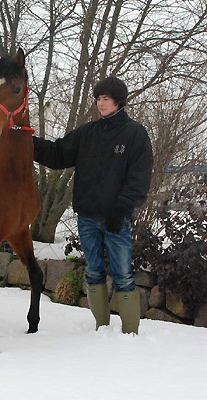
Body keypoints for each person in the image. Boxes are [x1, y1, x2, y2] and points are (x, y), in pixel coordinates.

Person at [33, 76, 153, 334]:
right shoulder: (87, 133)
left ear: (119, 101)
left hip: (115, 218)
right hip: (87, 216)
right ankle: (101, 328)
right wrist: (29, 143)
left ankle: (130, 333)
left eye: (106, 99)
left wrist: (122, 210)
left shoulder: (135, 134)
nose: (101, 104)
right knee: (94, 272)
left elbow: (139, 178)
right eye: (98, 99)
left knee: (122, 274)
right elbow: (58, 153)